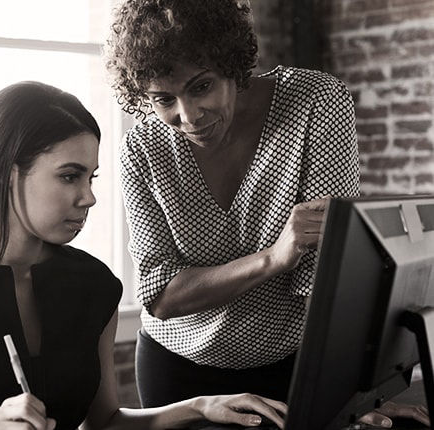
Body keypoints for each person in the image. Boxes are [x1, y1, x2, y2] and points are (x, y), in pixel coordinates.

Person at [0, 81, 290, 430]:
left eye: (91, 178)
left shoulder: (94, 285)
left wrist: (199, 407)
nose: (88, 198)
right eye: (69, 177)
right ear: (8, 172)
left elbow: (104, 422)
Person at [104, 0, 429, 427]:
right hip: (179, 372)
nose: (188, 116)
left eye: (201, 87)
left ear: (232, 65)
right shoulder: (142, 150)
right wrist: (273, 258)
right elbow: (161, 296)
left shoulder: (314, 102)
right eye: (164, 99)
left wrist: (358, 397)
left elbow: (326, 280)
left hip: (293, 365)